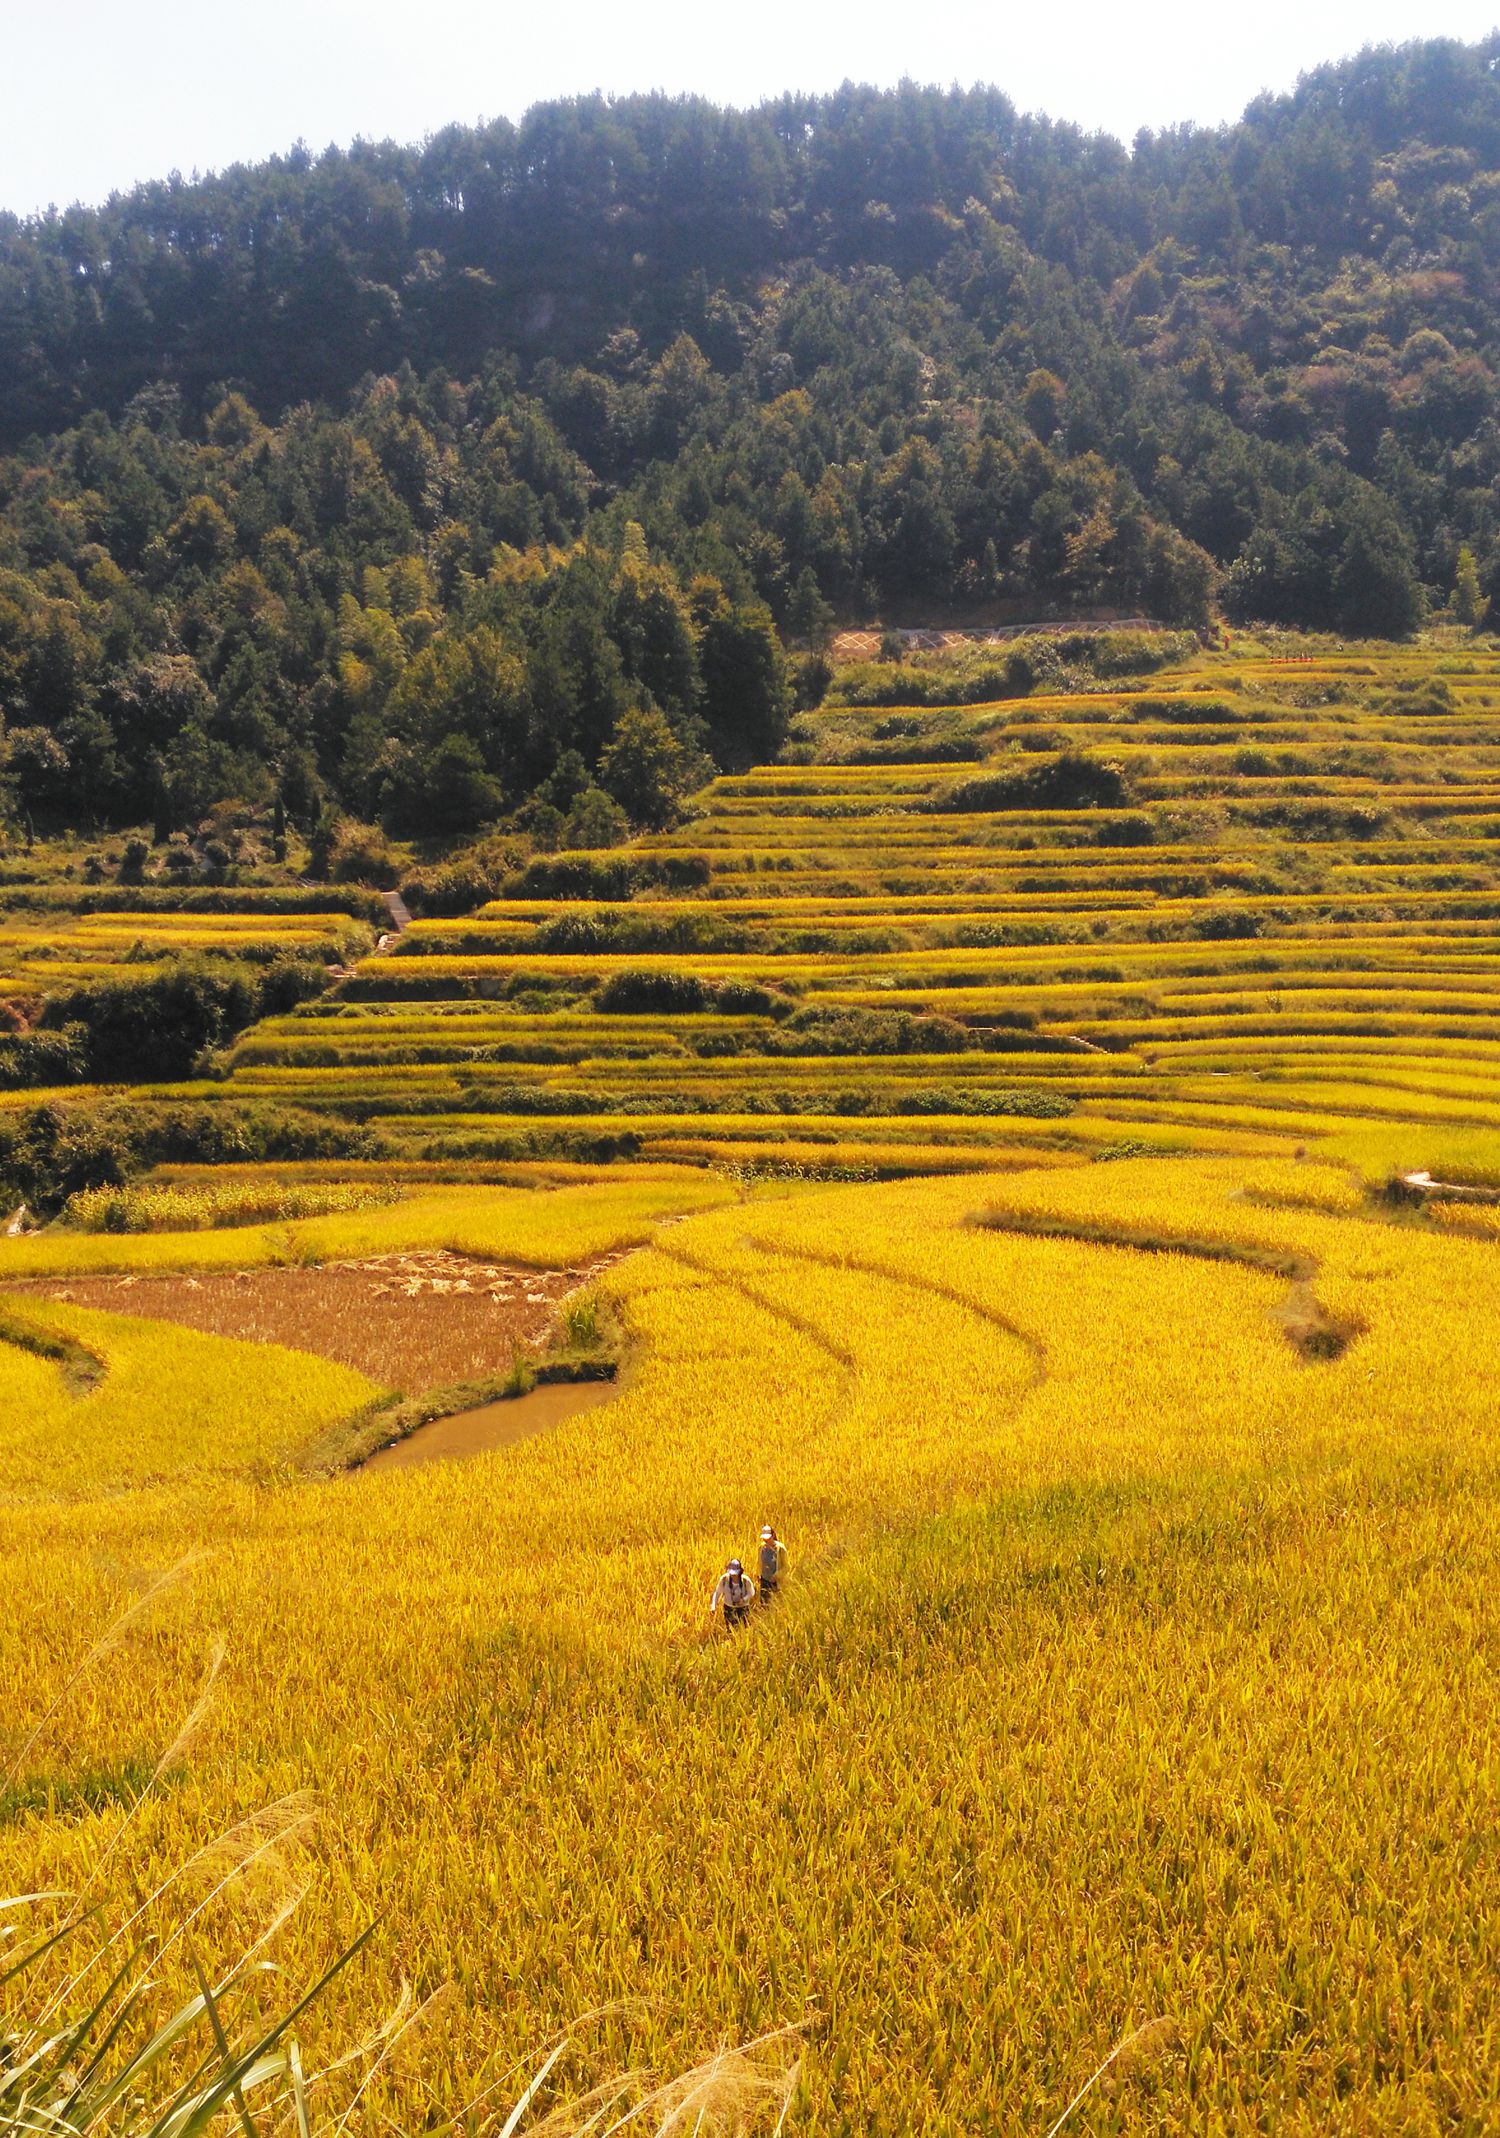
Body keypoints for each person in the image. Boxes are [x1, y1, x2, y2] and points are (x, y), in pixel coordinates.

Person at [710, 1557, 755, 1629]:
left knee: (743, 1629)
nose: (733, 1575)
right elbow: (717, 1593)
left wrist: (743, 1599)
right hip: (729, 1608)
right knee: (730, 1629)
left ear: (740, 1571)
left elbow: (751, 1592)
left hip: (743, 1608)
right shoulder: (724, 1579)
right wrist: (713, 1606)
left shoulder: (745, 1580)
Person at [757, 1524, 786, 1605]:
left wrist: (777, 1576)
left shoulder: (780, 1549)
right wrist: (758, 1574)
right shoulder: (761, 1548)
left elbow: (786, 1566)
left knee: (776, 1604)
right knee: (764, 1603)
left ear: (773, 1535)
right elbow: (759, 1562)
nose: (766, 1540)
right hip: (764, 1580)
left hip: (776, 1582)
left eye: (768, 1538)